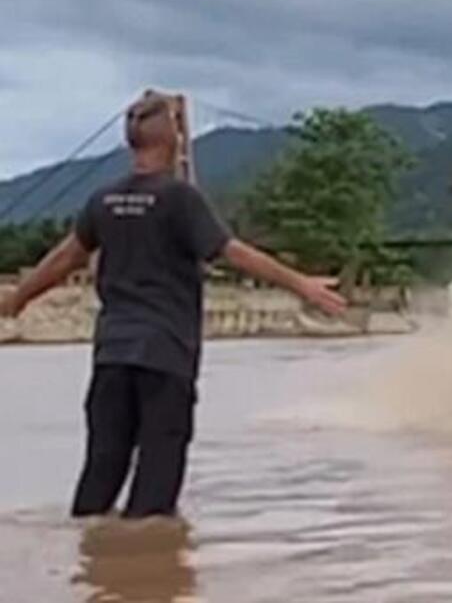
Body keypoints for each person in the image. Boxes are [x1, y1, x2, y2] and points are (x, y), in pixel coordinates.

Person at [0, 91, 347, 518]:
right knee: (156, 483)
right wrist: (301, 284)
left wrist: (16, 300)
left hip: (112, 356)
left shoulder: (102, 200)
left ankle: (91, 569)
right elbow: (233, 252)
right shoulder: (180, 199)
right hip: (165, 357)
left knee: (100, 472)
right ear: (176, 141)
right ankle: (144, 577)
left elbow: (63, 258)